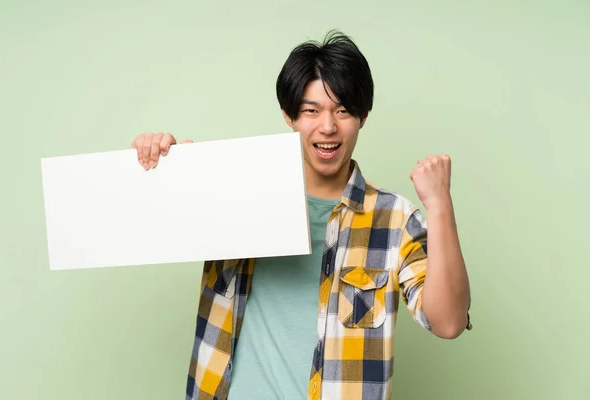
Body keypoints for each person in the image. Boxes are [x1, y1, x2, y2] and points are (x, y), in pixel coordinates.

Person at [131, 31, 472, 400]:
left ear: (363, 117)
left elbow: (449, 322)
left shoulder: (394, 221)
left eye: (342, 110)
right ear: (289, 116)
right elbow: (139, 225)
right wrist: (160, 165)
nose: (327, 126)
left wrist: (439, 205)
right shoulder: (233, 192)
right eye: (311, 110)